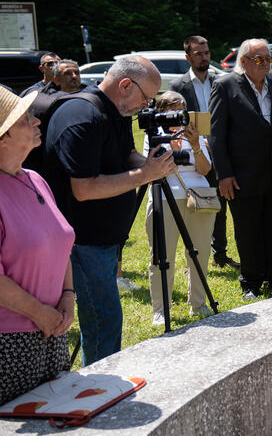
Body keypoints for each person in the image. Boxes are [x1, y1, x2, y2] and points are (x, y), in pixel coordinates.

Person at [45, 55, 176, 365]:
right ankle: (100, 394)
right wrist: (146, 175)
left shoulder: (114, 111)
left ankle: (102, 390)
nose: (146, 107)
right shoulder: (83, 115)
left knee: (105, 320)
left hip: (102, 240)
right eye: (145, 98)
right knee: (103, 323)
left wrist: (148, 165)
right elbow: (84, 188)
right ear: (125, 84)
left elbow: (125, 154)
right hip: (83, 241)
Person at [0, 86, 75, 404]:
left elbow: (62, 244)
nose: (36, 122)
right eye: (24, 118)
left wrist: (68, 296)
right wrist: (40, 314)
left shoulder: (35, 179)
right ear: (3, 137)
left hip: (52, 330)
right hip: (9, 342)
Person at [209, 38, 272, 300]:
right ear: (244, 61)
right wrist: (224, 174)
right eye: (260, 60)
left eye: (269, 59)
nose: (266, 64)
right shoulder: (225, 85)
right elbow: (216, 135)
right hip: (241, 174)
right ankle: (251, 281)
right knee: (247, 230)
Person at [142, 92, 214, 324]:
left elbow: (204, 170)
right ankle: (161, 310)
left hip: (198, 198)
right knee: (162, 256)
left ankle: (198, 304)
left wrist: (194, 145)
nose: (177, 116)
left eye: (181, 110)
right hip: (164, 197)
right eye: (171, 110)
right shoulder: (153, 135)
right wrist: (171, 146)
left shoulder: (195, 134)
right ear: (161, 113)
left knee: (200, 253)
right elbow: (152, 168)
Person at [170, 35, 239, 270]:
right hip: (196, 154)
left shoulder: (220, 82)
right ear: (188, 57)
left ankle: (220, 254)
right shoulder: (178, 86)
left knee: (222, 204)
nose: (204, 57)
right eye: (198, 54)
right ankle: (200, 253)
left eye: (207, 53)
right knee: (202, 204)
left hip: (221, 151)